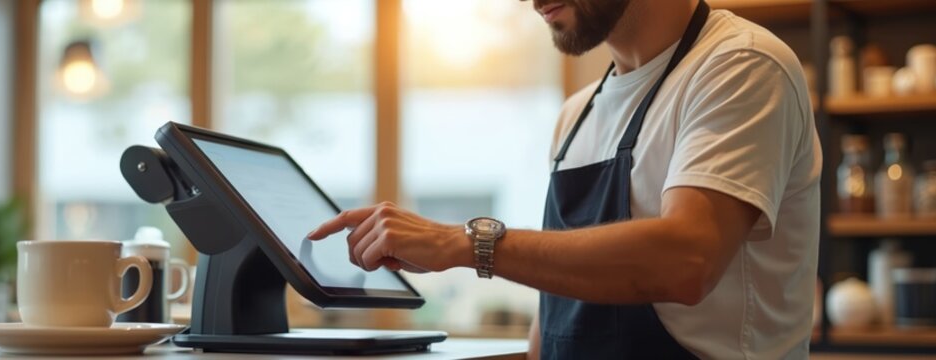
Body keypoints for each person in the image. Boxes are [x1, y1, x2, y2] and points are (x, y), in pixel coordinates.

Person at [307, 0, 821, 358]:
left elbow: (687, 259)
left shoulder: (741, 65)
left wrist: (465, 243)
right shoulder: (575, 116)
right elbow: (555, 317)